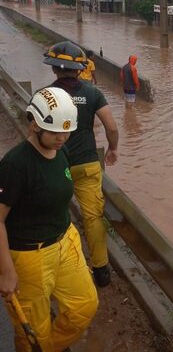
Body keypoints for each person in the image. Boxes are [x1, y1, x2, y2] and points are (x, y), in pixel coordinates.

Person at [0, 87, 99, 351]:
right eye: (55, 132)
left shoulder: (61, 152)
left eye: (66, 132)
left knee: (85, 305)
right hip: (30, 257)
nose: (62, 138)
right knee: (33, 330)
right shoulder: (16, 165)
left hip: (65, 242)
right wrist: (7, 272)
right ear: (34, 125)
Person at [45, 41, 119, 287]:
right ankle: (101, 270)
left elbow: (34, 132)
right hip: (87, 165)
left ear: (55, 69)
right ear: (80, 69)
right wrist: (113, 148)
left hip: (56, 166)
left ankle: (63, 269)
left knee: (56, 216)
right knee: (93, 218)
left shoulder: (47, 95)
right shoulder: (92, 93)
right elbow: (111, 126)